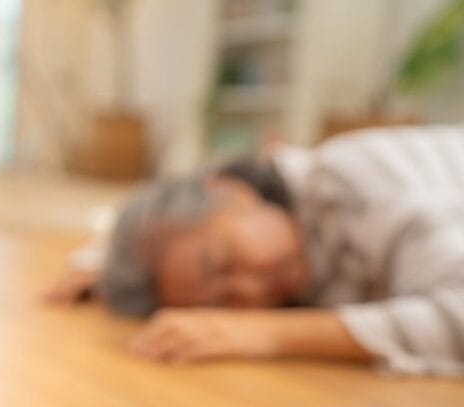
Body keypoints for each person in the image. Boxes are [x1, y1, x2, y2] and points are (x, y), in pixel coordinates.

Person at [45, 126, 464, 376]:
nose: (249, 292)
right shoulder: (214, 218)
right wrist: (101, 264)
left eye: (223, 262)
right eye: (221, 305)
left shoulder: (357, 183)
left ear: (235, 193)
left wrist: (265, 333)